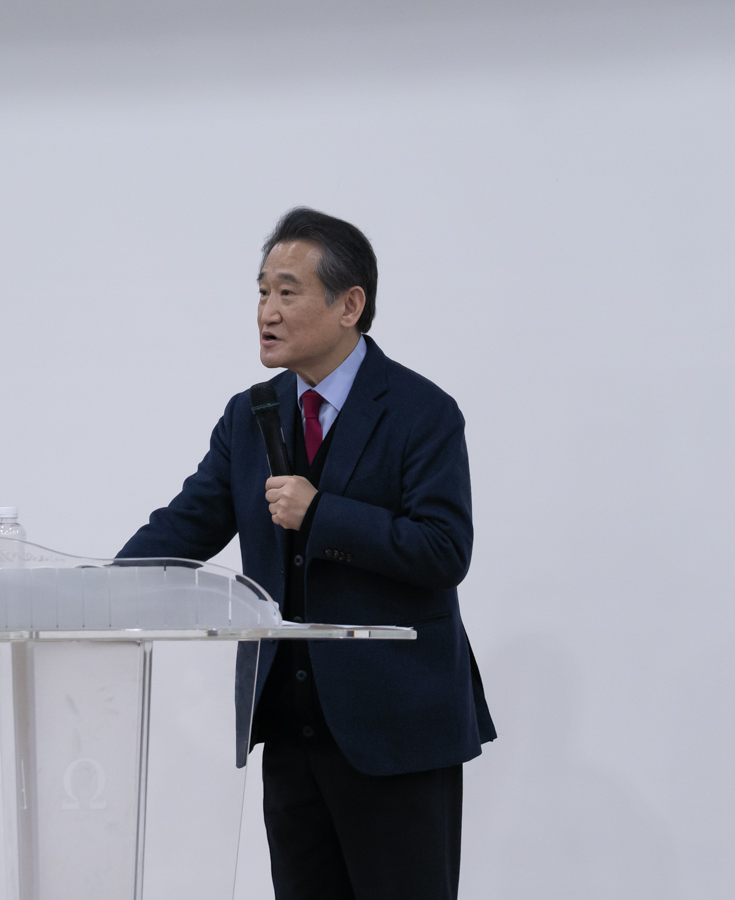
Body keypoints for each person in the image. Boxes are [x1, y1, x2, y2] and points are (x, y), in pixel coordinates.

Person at [116, 208, 495, 899]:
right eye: (262, 291)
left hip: (397, 734)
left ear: (350, 305)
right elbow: (184, 526)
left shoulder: (421, 411)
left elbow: (444, 549)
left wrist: (322, 513)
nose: (267, 311)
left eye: (288, 292)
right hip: (291, 732)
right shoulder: (251, 414)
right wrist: (95, 590)